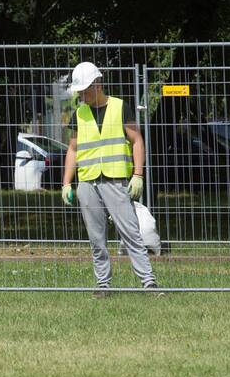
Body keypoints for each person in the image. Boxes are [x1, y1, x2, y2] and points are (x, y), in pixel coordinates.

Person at [61, 62, 161, 298]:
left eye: (85, 90)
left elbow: (137, 141)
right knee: (96, 238)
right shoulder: (79, 113)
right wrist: (66, 183)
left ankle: (149, 283)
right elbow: (73, 149)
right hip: (87, 183)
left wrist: (138, 174)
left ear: (98, 85)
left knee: (131, 233)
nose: (82, 95)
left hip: (115, 180)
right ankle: (103, 285)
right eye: (80, 91)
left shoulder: (119, 107)